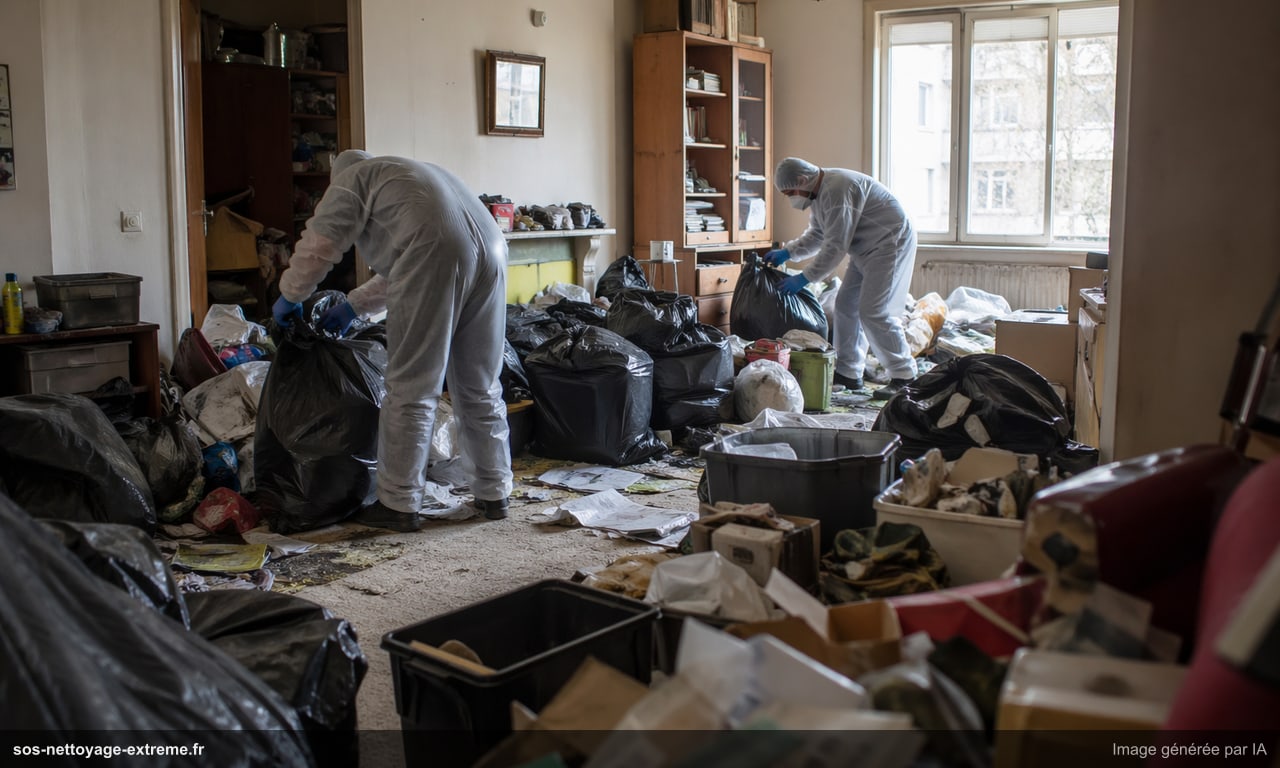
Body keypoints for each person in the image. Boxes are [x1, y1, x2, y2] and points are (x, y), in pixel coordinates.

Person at [272, 150, 513, 532]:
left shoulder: (353, 179)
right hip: (494, 254)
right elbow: (418, 262)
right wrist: (354, 306)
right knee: (481, 385)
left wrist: (291, 294)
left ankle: (398, 504)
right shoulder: (414, 173)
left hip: (442, 252)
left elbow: (320, 244)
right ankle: (494, 492)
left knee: (411, 386)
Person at [764, 157, 918, 401]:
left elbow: (835, 246)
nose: (791, 198)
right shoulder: (819, 194)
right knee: (846, 305)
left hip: (890, 244)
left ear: (802, 180)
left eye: (790, 192)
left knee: (874, 311)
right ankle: (849, 372)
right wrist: (788, 251)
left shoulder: (837, 190)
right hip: (865, 248)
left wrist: (805, 278)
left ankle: (904, 376)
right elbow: (817, 235)